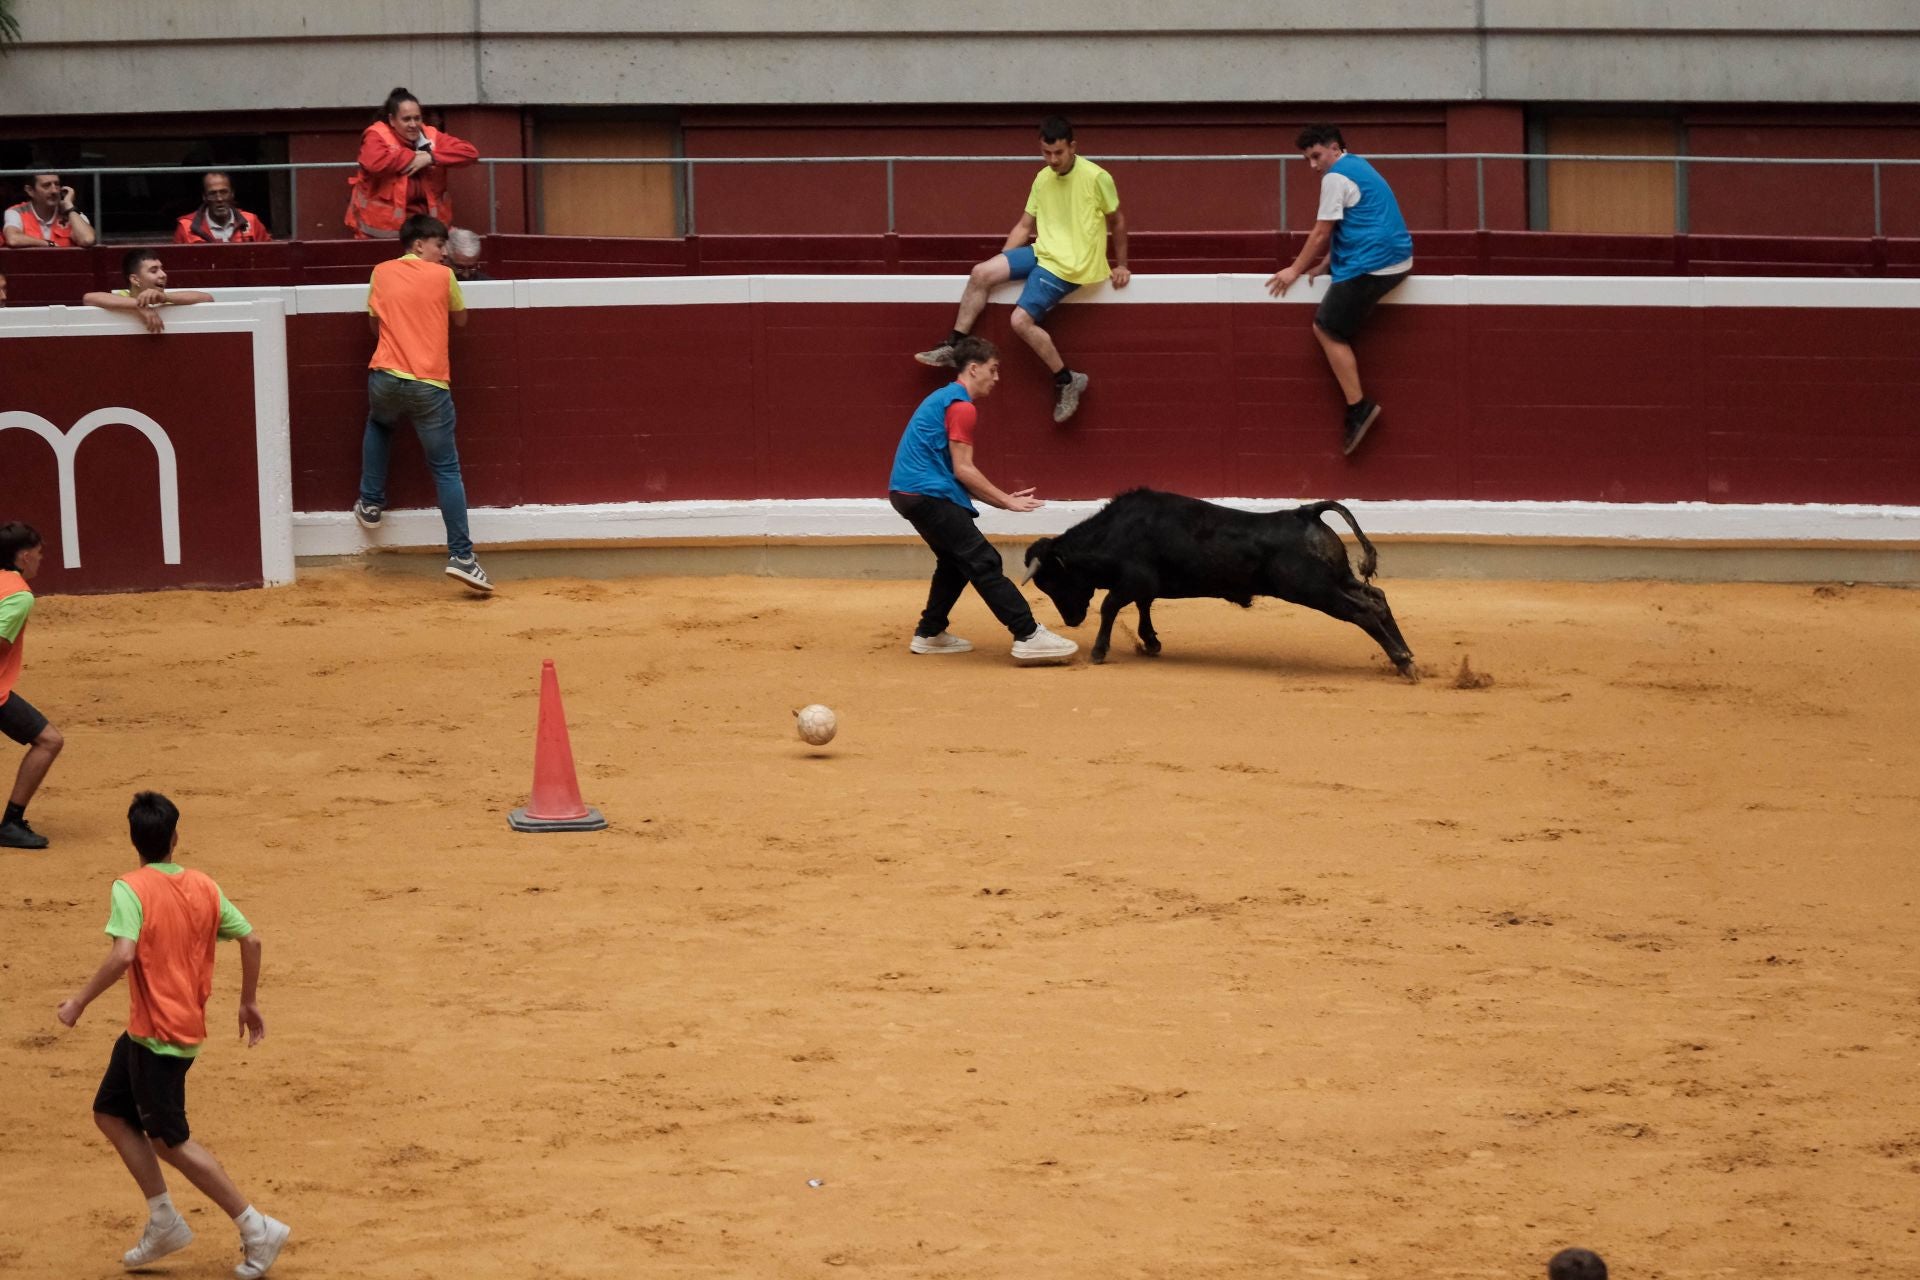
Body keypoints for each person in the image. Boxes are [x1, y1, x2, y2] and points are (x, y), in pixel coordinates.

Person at [55, 791, 289, 1276]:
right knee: (110, 1113)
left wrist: (78, 1001)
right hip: (157, 1030)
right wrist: (247, 1000)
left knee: (169, 1140)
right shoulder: (203, 885)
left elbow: (123, 956)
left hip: (159, 1036)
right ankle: (163, 1218)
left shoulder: (130, 888)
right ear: (175, 837)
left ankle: (255, 1227)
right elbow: (252, 937)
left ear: (133, 840)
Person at [914, 116, 1128, 424]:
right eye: (1046, 153)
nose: (1052, 160)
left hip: (1072, 266)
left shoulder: (1096, 177)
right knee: (981, 273)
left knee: (1020, 320)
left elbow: (1117, 220)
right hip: (1043, 251)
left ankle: (1067, 379)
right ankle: (954, 345)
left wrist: (1121, 265)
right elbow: (1025, 225)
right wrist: (1001, 264)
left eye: (1058, 153)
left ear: (1073, 147)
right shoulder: (1042, 178)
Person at [889, 336, 1078, 664]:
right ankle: (1028, 634)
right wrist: (1006, 500)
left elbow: (953, 472)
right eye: (993, 369)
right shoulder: (962, 407)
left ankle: (930, 633)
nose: (997, 377)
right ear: (973, 369)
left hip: (910, 493)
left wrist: (1000, 500)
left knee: (955, 564)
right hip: (925, 493)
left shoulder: (945, 399)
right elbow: (963, 470)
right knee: (983, 560)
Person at [354, 213, 492, 592]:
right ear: (419, 244)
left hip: (384, 375)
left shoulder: (380, 271)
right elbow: (461, 320)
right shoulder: (443, 277)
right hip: (429, 383)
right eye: (438, 245)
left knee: (380, 424)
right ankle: (462, 557)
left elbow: (373, 325)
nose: (443, 252)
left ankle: (370, 503)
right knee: (446, 469)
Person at [1265, 124, 1414, 456]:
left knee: (1327, 327)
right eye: (1308, 159)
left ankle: (1358, 406)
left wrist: (1294, 269)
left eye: (1316, 156)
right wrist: (1328, 264)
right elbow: (1358, 221)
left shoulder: (1335, 177)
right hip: (1392, 257)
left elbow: (1322, 231)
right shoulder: (1357, 165)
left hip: (1376, 263)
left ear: (1334, 148)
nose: (1314, 165)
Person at [345, 86, 479, 239]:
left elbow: (470, 152)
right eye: (407, 119)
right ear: (392, 120)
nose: (413, 124)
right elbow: (374, 163)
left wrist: (430, 158)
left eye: (417, 118)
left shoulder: (430, 135)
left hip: (428, 232)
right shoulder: (376, 135)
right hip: (383, 234)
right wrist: (412, 156)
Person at [0, 524, 63, 850]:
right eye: (38, 554)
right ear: (24, 556)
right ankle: (11, 823)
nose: (40, 560)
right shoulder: (19, 596)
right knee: (49, 740)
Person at [83, 249, 214, 335]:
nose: (163, 275)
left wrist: (164, 297)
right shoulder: (123, 298)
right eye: (153, 271)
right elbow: (89, 298)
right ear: (135, 279)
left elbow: (208, 298)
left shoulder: (165, 297)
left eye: (162, 269)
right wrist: (139, 305)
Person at [3, 172, 98, 248]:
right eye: (46, 185)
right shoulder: (17, 212)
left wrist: (69, 206)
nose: (54, 191)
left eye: (57, 184)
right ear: (30, 191)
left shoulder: (72, 214)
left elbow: (87, 240)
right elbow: (13, 239)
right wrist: (48, 244)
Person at [174, 171, 271, 244]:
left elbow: (271, 257)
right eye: (212, 193)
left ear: (232, 194)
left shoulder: (251, 221)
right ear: (204, 197)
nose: (219, 198)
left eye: (224, 192)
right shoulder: (186, 227)